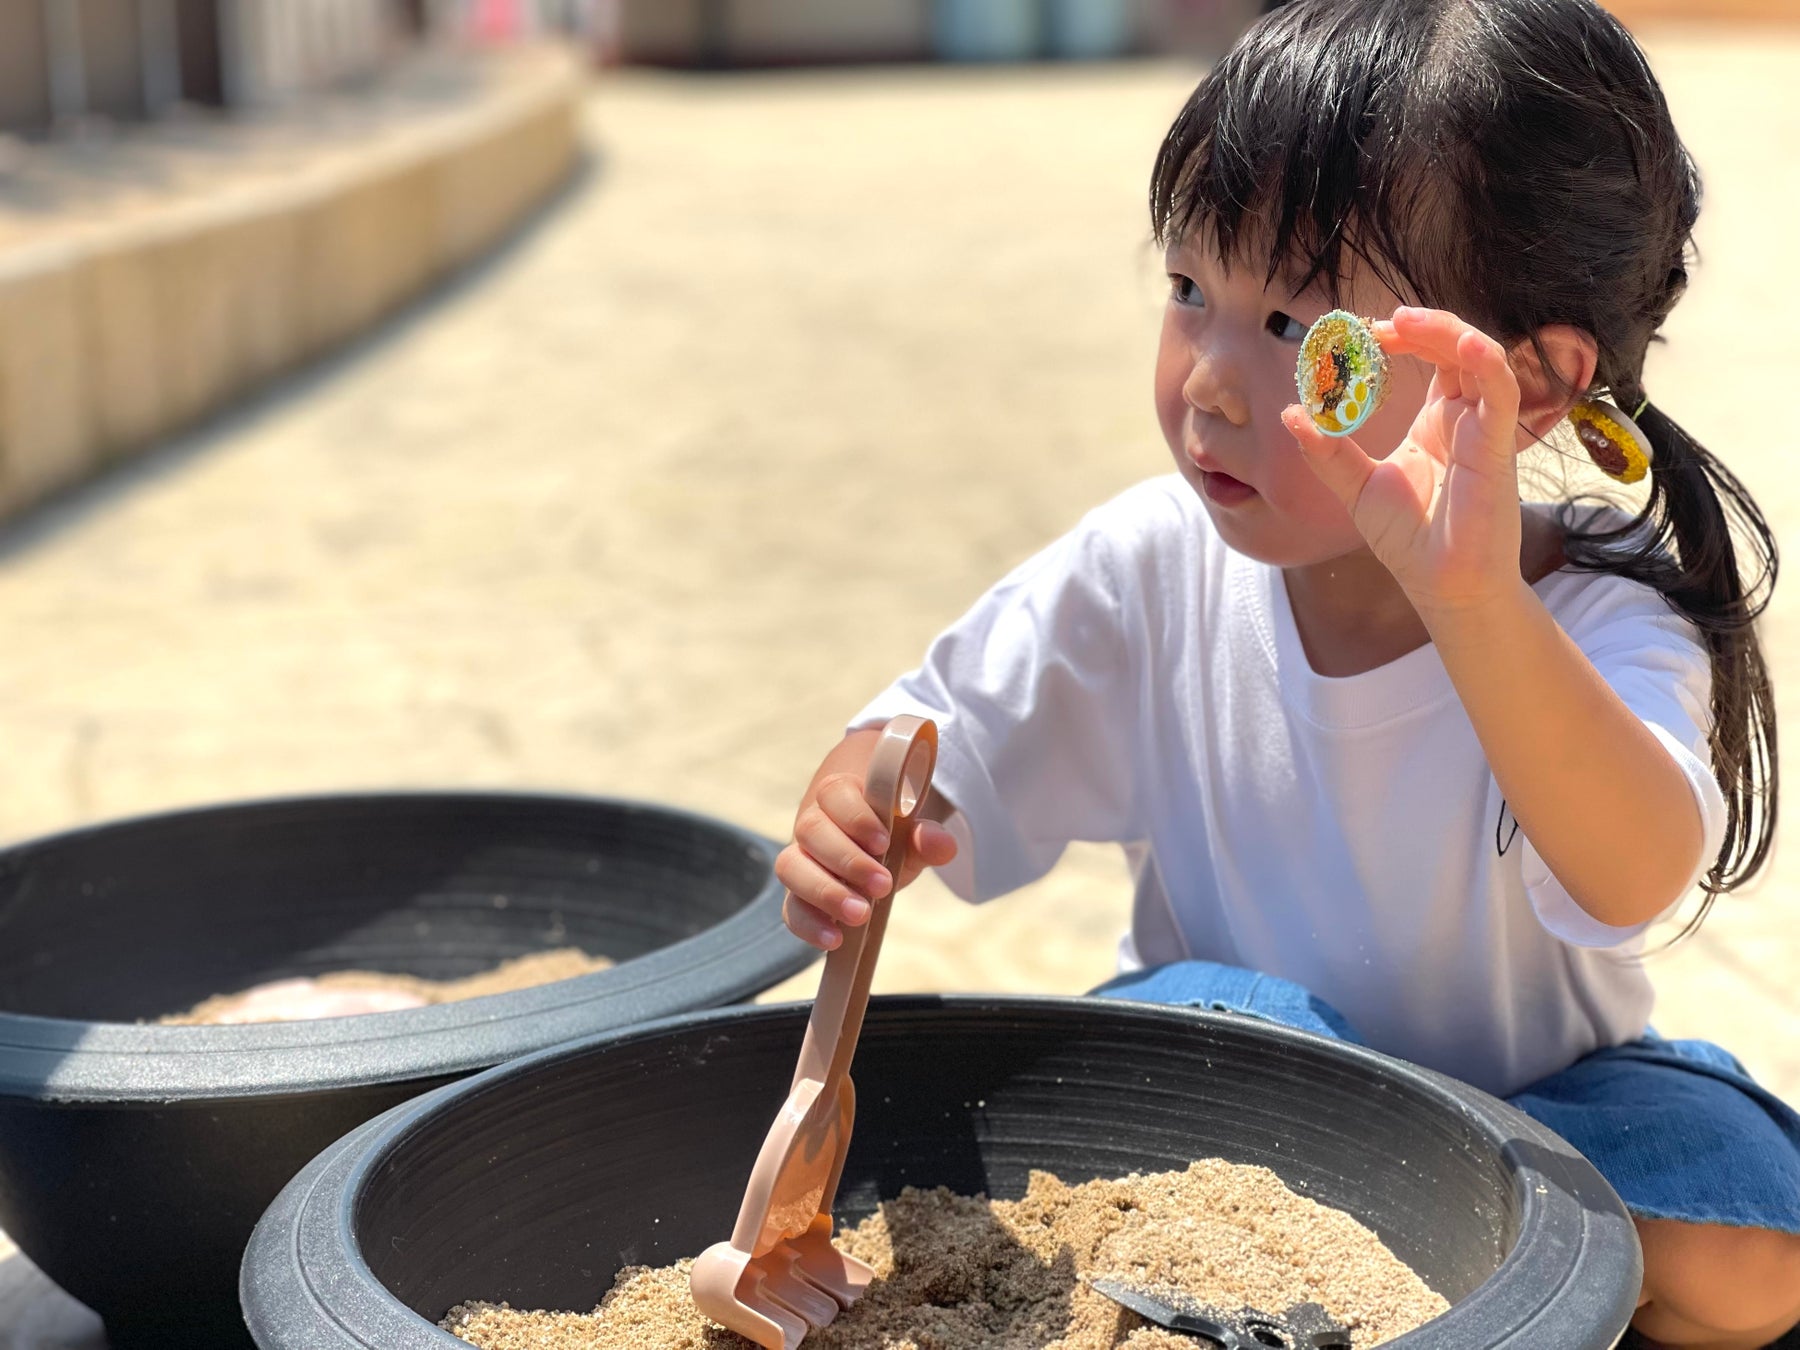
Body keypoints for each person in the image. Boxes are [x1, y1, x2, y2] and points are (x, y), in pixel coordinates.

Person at [775, 0, 1800, 1345]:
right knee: (1204, 1023)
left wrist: (1475, 598)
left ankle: (1467, 1253)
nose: (1209, 380)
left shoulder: (1603, 600)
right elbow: (926, 738)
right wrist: (859, 808)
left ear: (1535, 383)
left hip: (1532, 1112)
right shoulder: (1154, 566)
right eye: (1191, 290)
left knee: (1759, 1235)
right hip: (1227, 1084)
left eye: (1297, 335)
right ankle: (1475, 1281)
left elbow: (1636, 869)